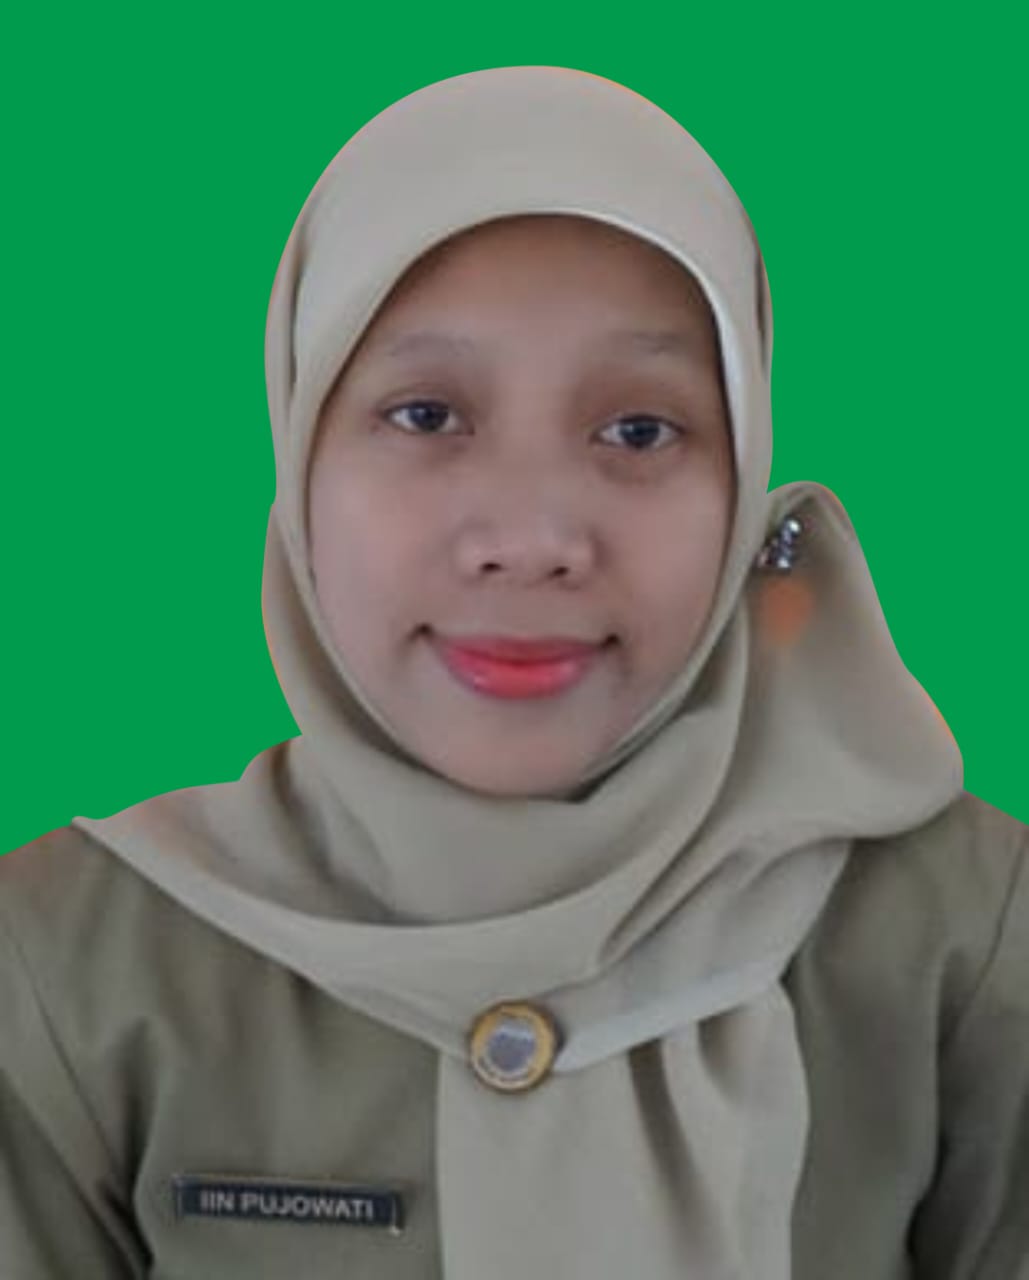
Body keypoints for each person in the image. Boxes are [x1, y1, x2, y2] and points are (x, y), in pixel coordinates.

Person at [1, 65, 1026, 1280]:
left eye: (639, 429)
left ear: (745, 479)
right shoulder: (68, 966)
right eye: (427, 414)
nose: (532, 537)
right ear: (300, 452)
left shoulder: (969, 941)